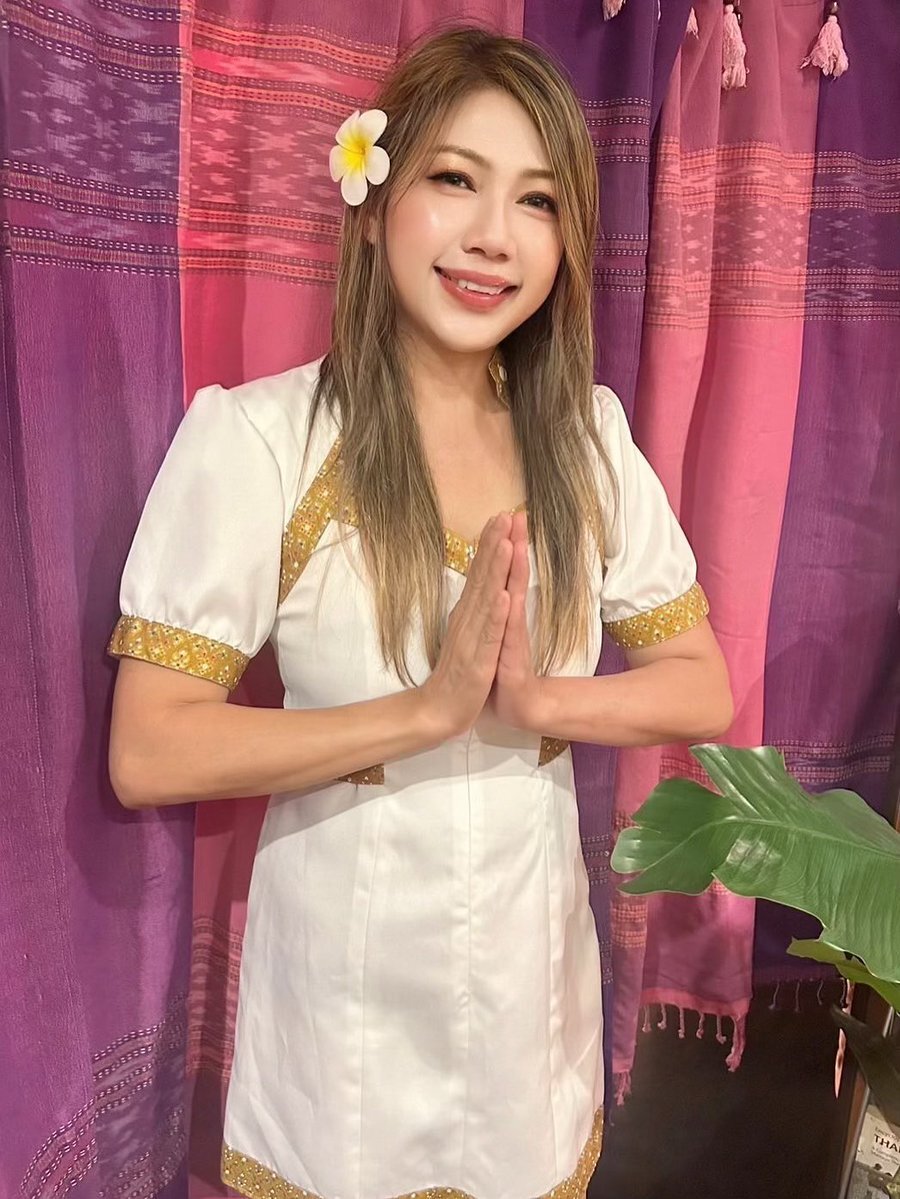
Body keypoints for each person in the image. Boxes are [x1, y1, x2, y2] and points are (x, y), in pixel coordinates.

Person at [106, 25, 733, 1199]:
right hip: (341, 1018)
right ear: (372, 200)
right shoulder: (262, 439)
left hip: (529, 993)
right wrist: (428, 709)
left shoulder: (587, 440)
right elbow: (150, 748)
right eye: (455, 179)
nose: (494, 235)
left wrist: (538, 701)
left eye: (537, 200)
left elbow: (702, 683)